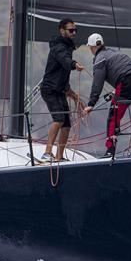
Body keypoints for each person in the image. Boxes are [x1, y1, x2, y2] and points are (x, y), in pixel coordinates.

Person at [82, 33, 131, 156]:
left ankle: (110, 151)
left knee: (113, 117)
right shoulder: (114, 52)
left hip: (126, 81)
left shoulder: (100, 58)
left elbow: (97, 82)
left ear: (91, 47)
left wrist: (91, 103)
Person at [39, 18, 84, 161]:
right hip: (49, 89)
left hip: (59, 90)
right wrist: (74, 64)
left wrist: (73, 95)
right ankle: (47, 153)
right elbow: (64, 60)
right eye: (71, 30)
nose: (74, 33)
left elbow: (62, 75)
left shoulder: (67, 47)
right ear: (62, 31)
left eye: (75, 30)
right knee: (59, 119)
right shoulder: (59, 46)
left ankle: (59, 157)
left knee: (66, 124)